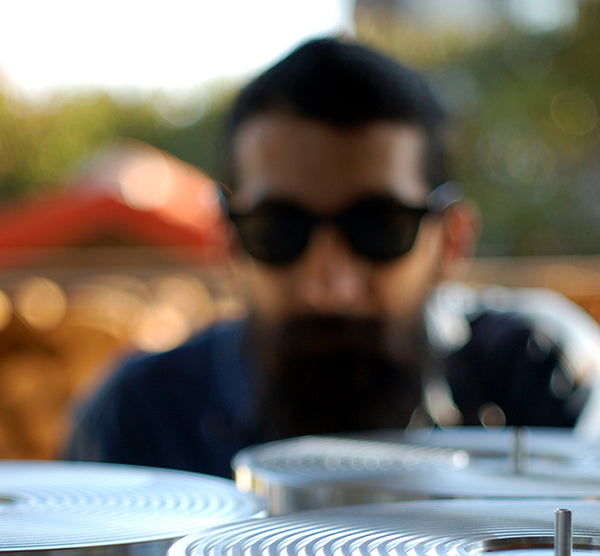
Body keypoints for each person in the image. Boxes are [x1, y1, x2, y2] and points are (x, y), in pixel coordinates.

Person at [64, 36, 595, 478]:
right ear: (228, 241)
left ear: (450, 241)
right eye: (279, 231)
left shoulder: (543, 375)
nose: (331, 282)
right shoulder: (141, 418)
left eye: (378, 228)